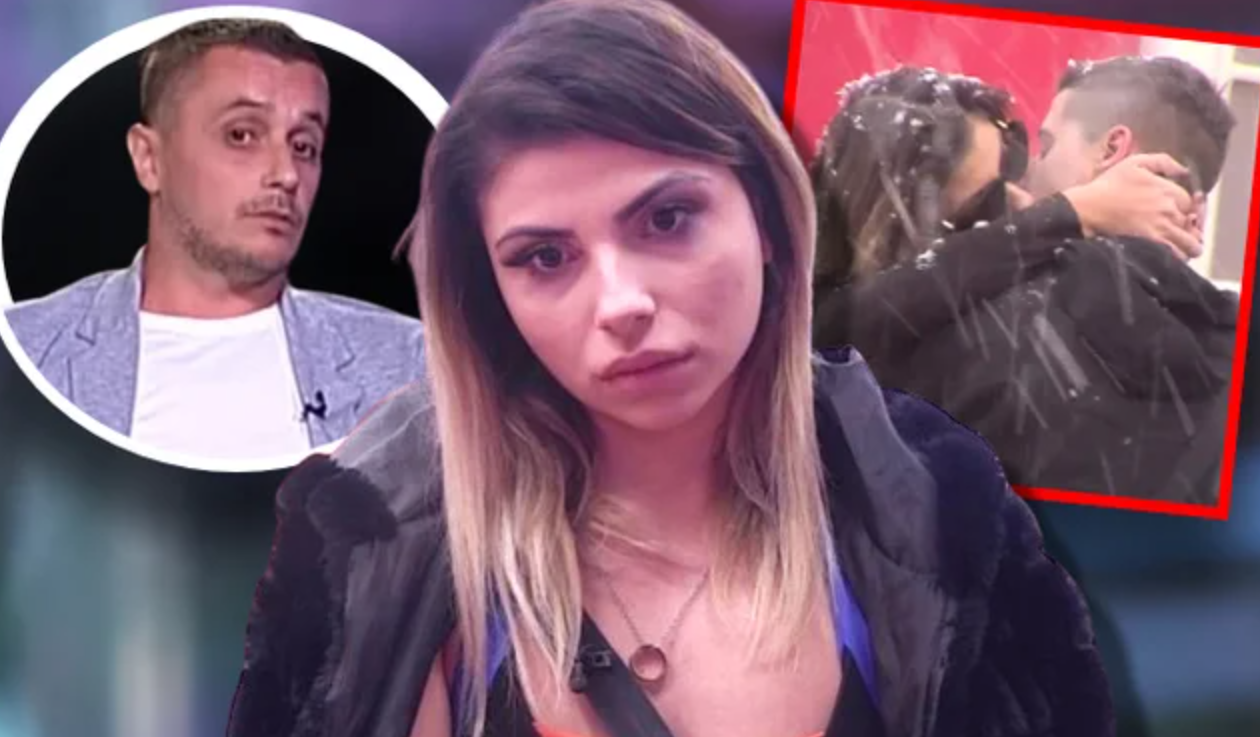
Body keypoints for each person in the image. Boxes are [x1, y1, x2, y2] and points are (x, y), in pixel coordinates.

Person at [225, 2, 1113, 736]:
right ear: (488, 295)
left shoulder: (938, 510)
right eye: (543, 258)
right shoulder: (375, 540)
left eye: (666, 219)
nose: (621, 302)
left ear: (767, 217)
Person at [811, 62, 1237, 503]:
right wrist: (1071, 214)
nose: (1023, 188)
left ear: (1113, 148)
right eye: (988, 204)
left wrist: (1068, 214)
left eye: (1044, 147)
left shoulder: (969, 348)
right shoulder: (1226, 343)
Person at [5, 19, 425, 460]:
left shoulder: (411, 366)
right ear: (149, 159)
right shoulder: (26, 351)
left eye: (304, 146)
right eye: (241, 135)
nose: (286, 174)